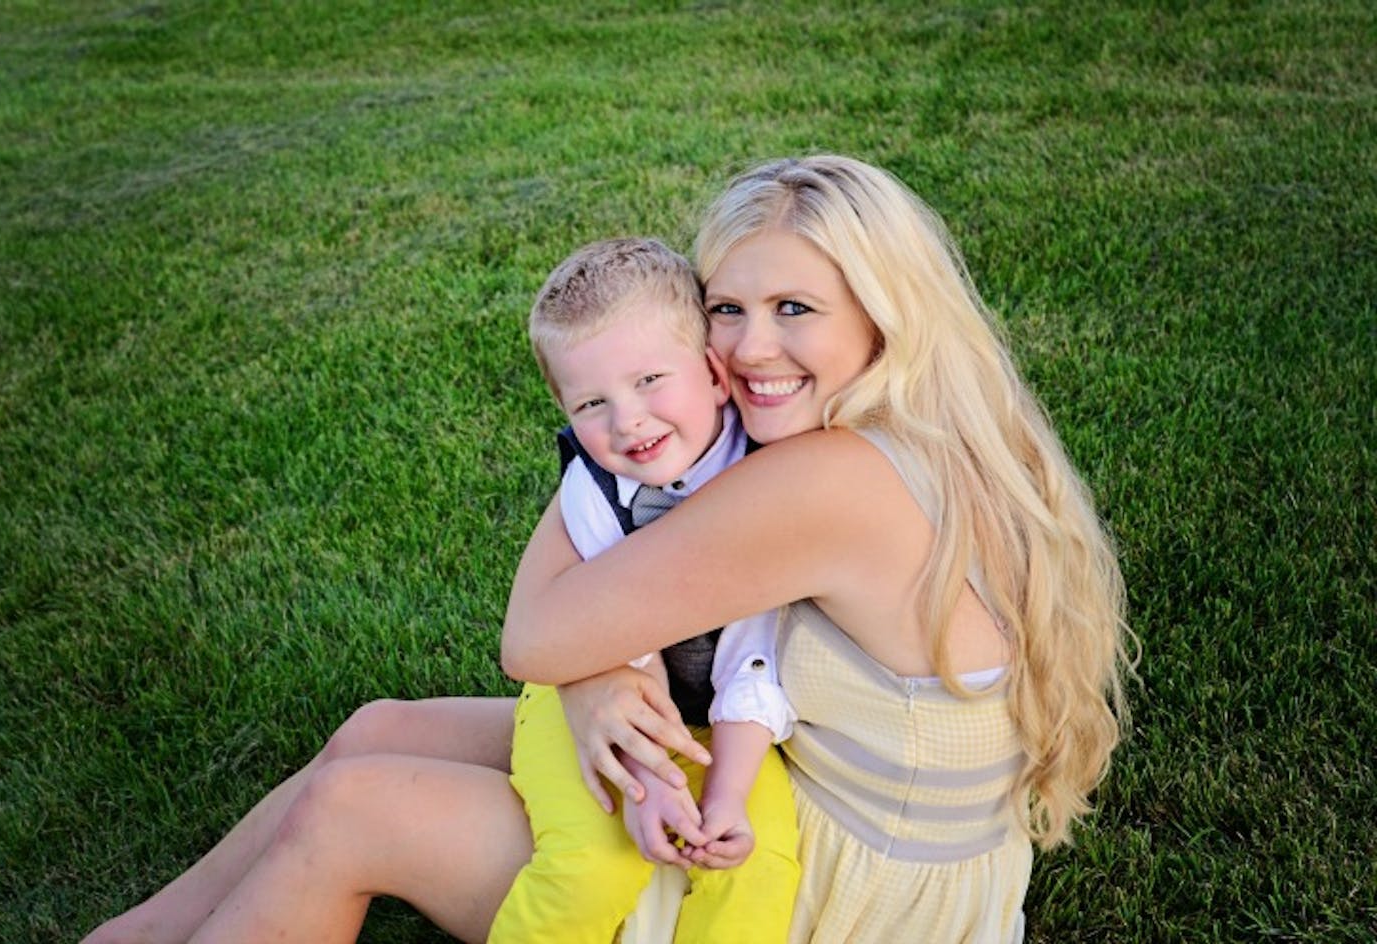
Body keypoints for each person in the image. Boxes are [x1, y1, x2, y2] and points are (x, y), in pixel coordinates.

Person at [83, 155, 1132, 944]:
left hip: (822, 889)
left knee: (353, 810)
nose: (748, 350)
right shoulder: (929, 426)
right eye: (724, 308)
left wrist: (600, 462)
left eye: (794, 309)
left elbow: (537, 630)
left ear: (884, 318)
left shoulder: (820, 481)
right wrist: (598, 666)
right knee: (377, 730)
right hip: (843, 817)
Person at [489, 236, 799, 943]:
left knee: (757, 865)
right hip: (590, 696)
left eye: (651, 380)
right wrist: (651, 777)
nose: (626, 420)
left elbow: (756, 647)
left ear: (718, 376)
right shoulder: (596, 492)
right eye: (592, 402)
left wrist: (725, 793)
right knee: (592, 866)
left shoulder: (771, 477)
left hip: (729, 717)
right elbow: (621, 644)